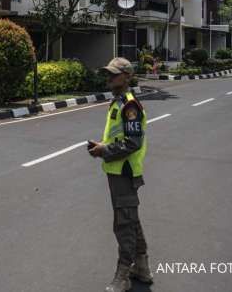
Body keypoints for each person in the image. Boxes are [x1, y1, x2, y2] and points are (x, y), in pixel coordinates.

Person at [88, 57, 152, 292]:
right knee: (130, 219)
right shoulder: (117, 103)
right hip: (116, 172)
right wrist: (102, 145)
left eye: (114, 74)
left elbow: (133, 143)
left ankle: (123, 275)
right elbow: (118, 137)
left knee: (123, 224)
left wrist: (105, 151)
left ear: (127, 76)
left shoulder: (129, 106)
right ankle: (142, 267)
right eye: (108, 73)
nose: (109, 77)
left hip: (124, 173)